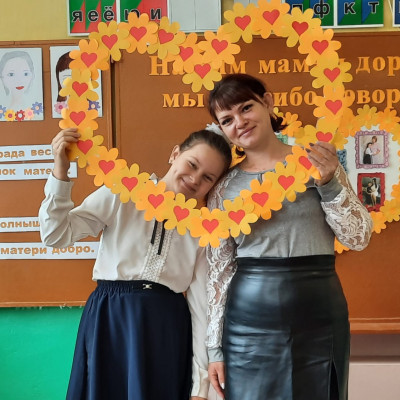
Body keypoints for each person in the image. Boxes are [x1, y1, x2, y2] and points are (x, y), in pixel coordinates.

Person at [205, 73, 373, 400]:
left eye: (246, 107)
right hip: (247, 323)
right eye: (227, 119)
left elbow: (358, 238)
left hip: (319, 312)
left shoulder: (317, 162)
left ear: (267, 103)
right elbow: (219, 272)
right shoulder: (223, 188)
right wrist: (214, 348)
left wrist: (329, 184)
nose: (240, 122)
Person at [38, 127, 232, 400]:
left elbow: (201, 306)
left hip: (165, 329)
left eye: (208, 177)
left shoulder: (202, 228)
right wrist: (61, 170)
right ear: (175, 154)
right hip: (111, 320)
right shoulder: (123, 193)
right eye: (192, 164)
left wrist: (199, 385)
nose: (194, 178)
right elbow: (55, 235)